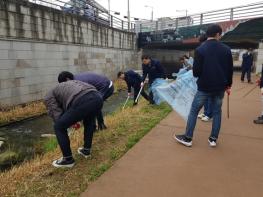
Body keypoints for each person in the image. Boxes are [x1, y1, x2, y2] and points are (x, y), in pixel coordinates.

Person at [174, 24, 233, 147]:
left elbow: (196, 72)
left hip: (204, 87)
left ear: (207, 35)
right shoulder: (226, 49)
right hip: (220, 87)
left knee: (194, 111)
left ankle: (188, 138)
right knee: (217, 112)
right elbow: (229, 70)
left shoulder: (200, 49)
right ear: (218, 34)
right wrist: (228, 85)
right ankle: (213, 139)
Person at [44, 80, 103, 168]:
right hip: (98, 97)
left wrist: (68, 123)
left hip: (83, 99)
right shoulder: (70, 84)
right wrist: (72, 121)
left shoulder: (48, 96)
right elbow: (72, 109)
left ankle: (68, 159)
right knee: (89, 122)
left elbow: (57, 115)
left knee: (59, 127)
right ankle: (86, 150)